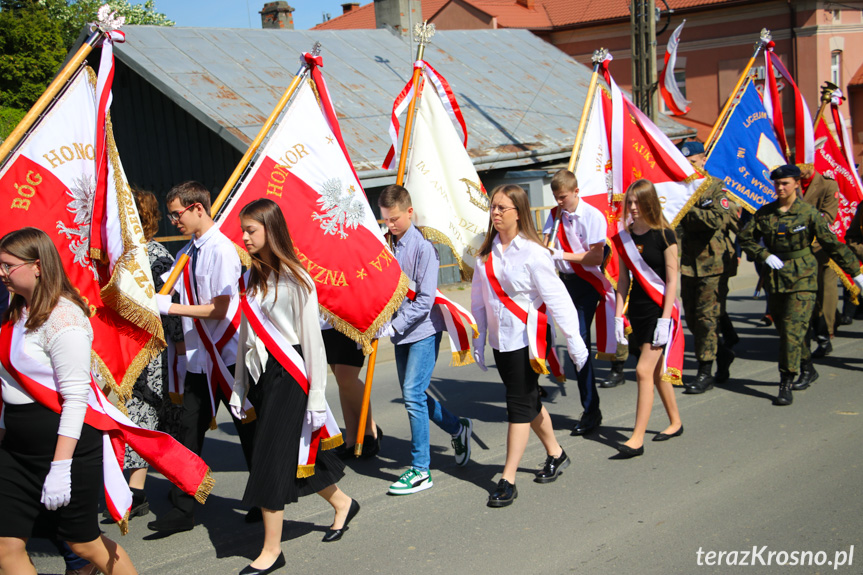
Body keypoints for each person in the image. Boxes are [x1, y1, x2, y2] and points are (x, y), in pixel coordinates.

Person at [230, 199, 358, 575]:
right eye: (244, 230)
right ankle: (343, 503)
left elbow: (312, 343)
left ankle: (272, 550)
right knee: (300, 454)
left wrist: (318, 396)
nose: (245, 237)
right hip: (262, 377)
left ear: (270, 229)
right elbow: (244, 338)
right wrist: (239, 386)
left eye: (251, 230)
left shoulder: (297, 280)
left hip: (292, 377)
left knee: (269, 457)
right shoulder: (252, 277)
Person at [0, 227, 137, 575]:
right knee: (6, 546)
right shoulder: (18, 311)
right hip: (17, 450)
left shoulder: (64, 317)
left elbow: (76, 398)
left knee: (83, 543)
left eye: (7, 265)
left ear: (37, 266)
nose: (1, 274)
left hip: (65, 449)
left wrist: (60, 467)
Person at [150, 181, 257, 534]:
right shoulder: (188, 251)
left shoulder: (222, 250)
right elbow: (168, 288)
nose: (173, 220)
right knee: (187, 434)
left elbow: (220, 309)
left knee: (249, 430)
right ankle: (184, 507)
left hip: (227, 358)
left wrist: (171, 306)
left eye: (177, 213)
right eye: (170, 214)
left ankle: (263, 497)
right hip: (199, 359)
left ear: (198, 208)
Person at [472, 184, 589, 507]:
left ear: (518, 213)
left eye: (502, 208)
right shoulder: (485, 253)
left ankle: (507, 477)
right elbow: (480, 300)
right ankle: (556, 452)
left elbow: (558, 299)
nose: (495, 213)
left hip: (528, 341)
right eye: (493, 207)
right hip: (502, 341)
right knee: (526, 401)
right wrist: (479, 337)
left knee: (518, 406)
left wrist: (575, 342)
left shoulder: (534, 253)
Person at [738, 165, 863, 405]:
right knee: (786, 331)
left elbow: (831, 244)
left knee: (793, 330)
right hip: (776, 279)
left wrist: (855, 273)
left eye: (785, 183)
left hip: (803, 278)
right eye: (777, 184)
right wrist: (763, 254)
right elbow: (745, 239)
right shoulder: (765, 213)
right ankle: (808, 367)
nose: (780, 187)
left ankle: (785, 382)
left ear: (797, 183)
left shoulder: (808, 213)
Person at [377, 185, 473, 495]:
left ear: (409, 212)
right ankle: (458, 428)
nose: (389, 225)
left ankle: (421, 469)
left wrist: (395, 326)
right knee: (414, 395)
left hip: (422, 331)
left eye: (394, 220)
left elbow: (425, 299)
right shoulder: (389, 243)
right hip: (401, 332)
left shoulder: (423, 249)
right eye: (385, 220)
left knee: (411, 394)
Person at [115, 188, 185, 522]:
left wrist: (177, 343)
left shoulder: (156, 256)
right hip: (129, 345)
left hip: (147, 346)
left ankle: (137, 488)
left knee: (145, 412)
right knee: (138, 412)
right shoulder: (118, 254)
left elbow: (168, 306)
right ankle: (136, 487)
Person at [612, 180, 684, 457]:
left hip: (660, 310)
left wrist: (666, 320)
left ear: (649, 202)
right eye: (629, 202)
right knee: (654, 372)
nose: (632, 207)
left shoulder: (665, 235)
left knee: (642, 371)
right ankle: (675, 421)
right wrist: (618, 315)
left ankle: (637, 438)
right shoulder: (624, 238)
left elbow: (672, 278)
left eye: (637, 202)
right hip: (638, 311)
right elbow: (622, 281)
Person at [542, 169, 608, 435]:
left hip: (588, 283)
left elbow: (595, 258)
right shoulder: (555, 215)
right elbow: (547, 242)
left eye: (564, 197)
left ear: (576, 191)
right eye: (557, 198)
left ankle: (591, 410)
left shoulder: (592, 216)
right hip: (564, 282)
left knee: (578, 342)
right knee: (545, 333)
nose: (560, 202)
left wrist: (562, 254)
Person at [677, 141, 739, 393]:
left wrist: (687, 205)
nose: (688, 167)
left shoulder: (714, 187)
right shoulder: (676, 188)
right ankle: (722, 353)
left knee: (706, 319)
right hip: (685, 263)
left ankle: (705, 372)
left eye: (692, 162)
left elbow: (715, 218)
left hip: (712, 264)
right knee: (692, 318)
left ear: (703, 160)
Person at [322, 320, 381, 460]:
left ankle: (369, 428)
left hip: (352, 317)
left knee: (346, 379)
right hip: (326, 319)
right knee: (341, 379)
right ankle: (351, 437)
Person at [799, 165, 840, 358]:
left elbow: (828, 216)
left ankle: (826, 334)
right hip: (796, 250)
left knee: (824, 291)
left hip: (821, 246)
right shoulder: (790, 183)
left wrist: (799, 224)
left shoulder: (827, 185)